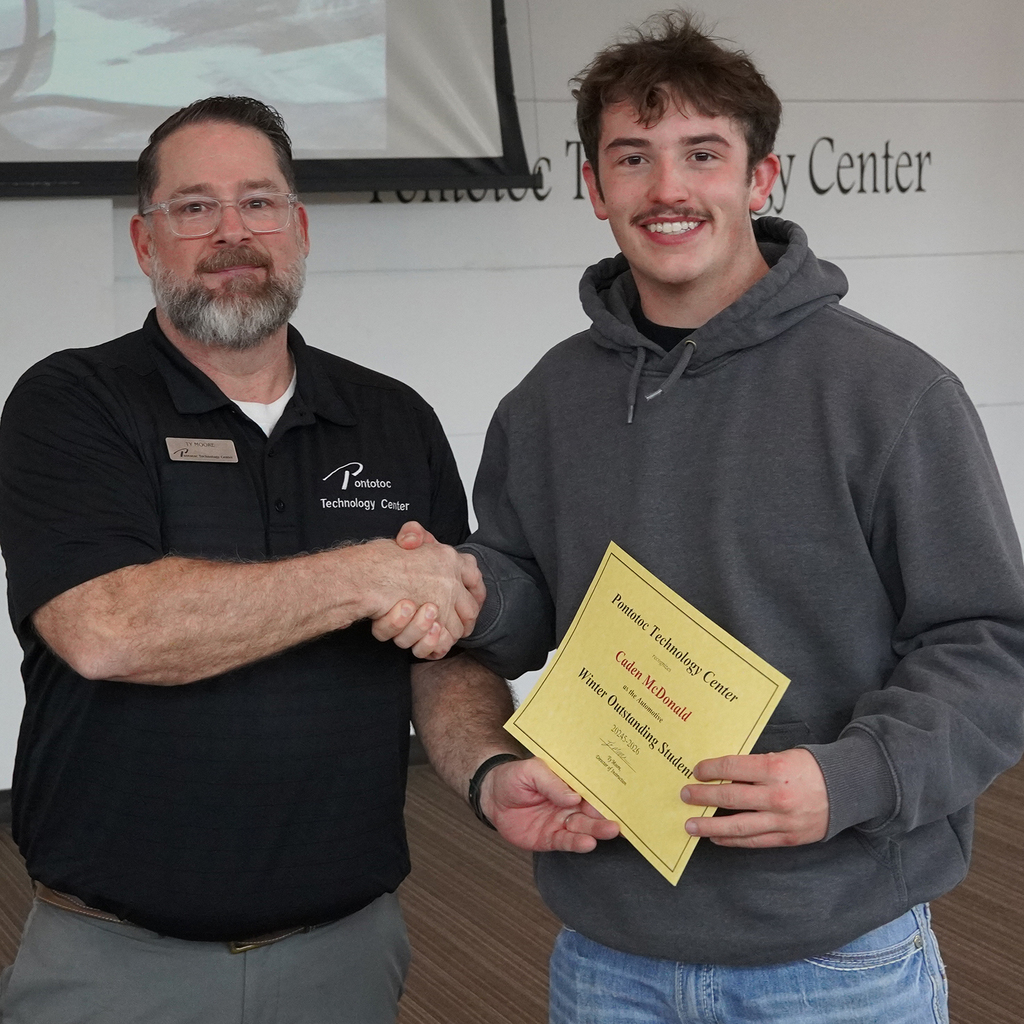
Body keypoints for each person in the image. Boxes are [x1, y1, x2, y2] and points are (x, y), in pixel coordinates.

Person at [397, 11, 1024, 1023]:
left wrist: (853, 777)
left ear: (759, 180)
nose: (667, 188)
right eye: (631, 158)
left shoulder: (892, 393)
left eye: (702, 154)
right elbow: (527, 597)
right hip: (609, 950)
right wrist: (456, 589)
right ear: (594, 188)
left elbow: (991, 644)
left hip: (835, 957)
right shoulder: (546, 401)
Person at [0, 95, 484, 1024]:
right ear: (146, 243)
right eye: (194, 208)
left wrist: (491, 774)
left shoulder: (394, 418)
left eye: (259, 203)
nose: (233, 233)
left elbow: (444, 648)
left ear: (298, 230)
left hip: (350, 949)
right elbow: (106, 630)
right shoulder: (73, 402)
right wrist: (365, 572)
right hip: (112, 962)